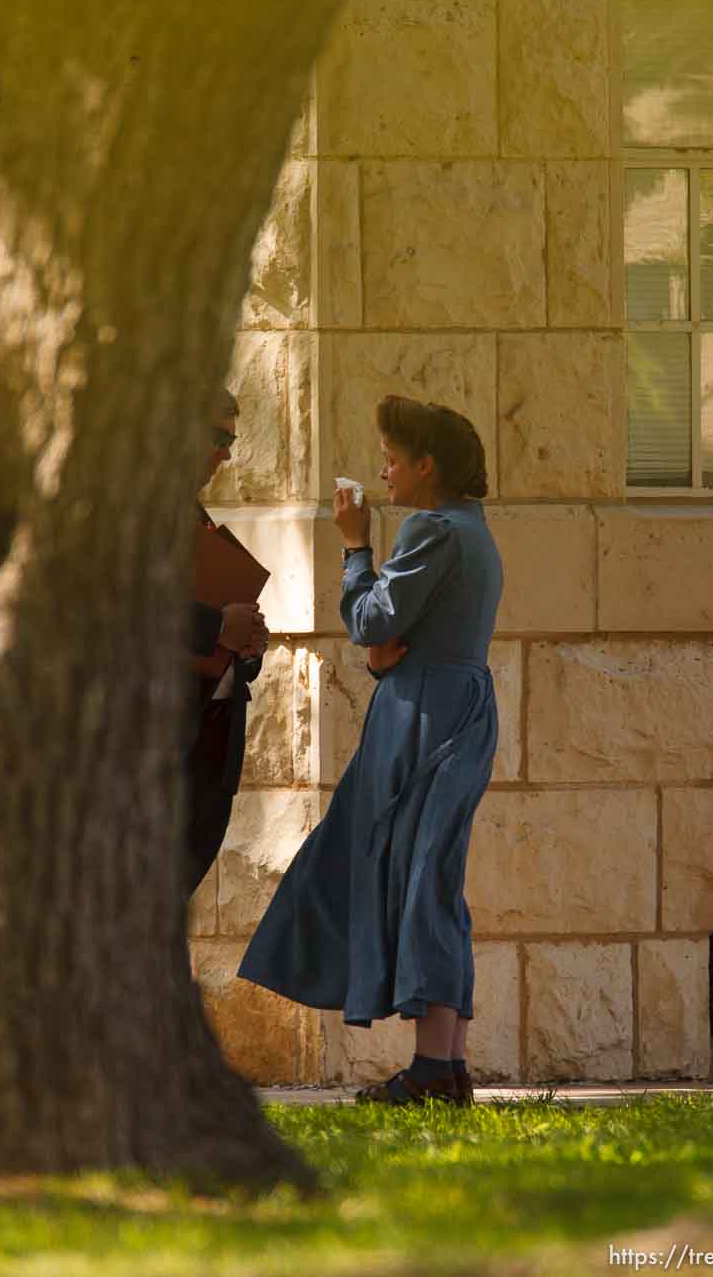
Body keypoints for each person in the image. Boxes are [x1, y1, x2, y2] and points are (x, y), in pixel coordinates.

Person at [238, 394, 503, 1106]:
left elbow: (370, 620)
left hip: (423, 721)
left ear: (425, 466)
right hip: (446, 707)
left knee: (420, 881)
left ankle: (430, 1071)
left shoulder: (433, 530)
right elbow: (397, 639)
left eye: (392, 459)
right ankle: (443, 1066)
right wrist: (390, 661)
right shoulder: (469, 531)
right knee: (431, 881)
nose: (383, 472)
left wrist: (355, 546)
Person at [188, 391, 269, 895]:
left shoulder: (196, 517)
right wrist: (216, 628)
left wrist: (248, 643)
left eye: (230, 442)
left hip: (209, 754)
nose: (226, 455)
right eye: (218, 439)